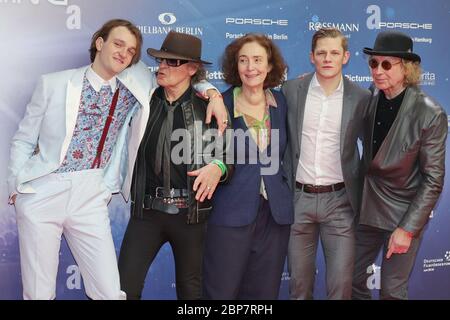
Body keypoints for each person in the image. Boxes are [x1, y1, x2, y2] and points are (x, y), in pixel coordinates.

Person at [7, 19, 227, 300]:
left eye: (131, 50)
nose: (124, 53)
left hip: (91, 192)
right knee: (39, 293)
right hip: (43, 189)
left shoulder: (137, 81)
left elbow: (187, 79)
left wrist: (213, 94)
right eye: (118, 44)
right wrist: (16, 184)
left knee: (111, 293)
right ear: (100, 43)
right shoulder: (53, 83)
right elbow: (24, 138)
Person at [117, 31, 232, 300]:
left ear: (192, 69)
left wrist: (219, 167)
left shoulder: (209, 111)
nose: (163, 67)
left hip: (189, 216)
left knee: (191, 291)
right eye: (161, 60)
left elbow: (228, 158)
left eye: (173, 62)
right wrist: (212, 91)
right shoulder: (144, 100)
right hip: (146, 213)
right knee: (123, 289)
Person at [351, 31, 447, 300]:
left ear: (406, 69)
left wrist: (407, 229)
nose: (378, 71)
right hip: (366, 209)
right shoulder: (368, 98)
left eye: (386, 64)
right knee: (348, 278)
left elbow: (433, 180)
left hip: (402, 214)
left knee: (392, 291)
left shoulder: (430, 112)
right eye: (373, 63)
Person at [282, 28, 371, 299]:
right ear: (312, 56)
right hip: (298, 199)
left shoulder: (362, 98)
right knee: (298, 286)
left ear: (346, 57)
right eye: (321, 53)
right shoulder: (290, 90)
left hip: (340, 202)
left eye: (334, 53)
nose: (327, 58)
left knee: (341, 287)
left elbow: (371, 150)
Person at [202, 33, 293, 300]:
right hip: (230, 215)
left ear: (270, 66)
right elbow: (210, 154)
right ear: (235, 66)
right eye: (243, 60)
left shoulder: (281, 103)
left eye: (257, 60)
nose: (250, 67)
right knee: (220, 292)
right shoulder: (221, 105)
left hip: (274, 217)